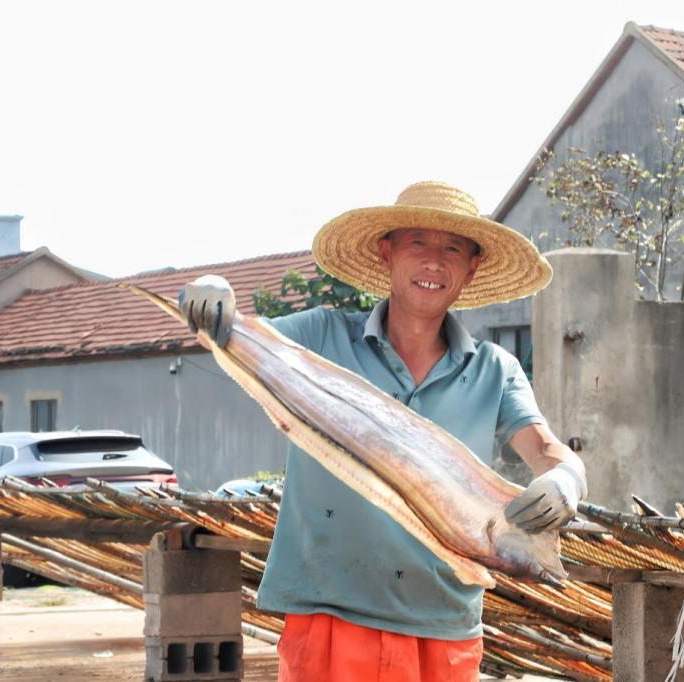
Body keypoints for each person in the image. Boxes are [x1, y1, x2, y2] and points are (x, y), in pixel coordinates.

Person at [181, 181, 587, 682]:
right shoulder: (321, 335)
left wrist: (568, 480)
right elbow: (238, 336)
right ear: (387, 251)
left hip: (444, 627)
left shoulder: (494, 370)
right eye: (419, 242)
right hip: (328, 616)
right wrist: (210, 299)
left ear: (472, 267)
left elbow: (548, 451)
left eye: (453, 248)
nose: (435, 262)